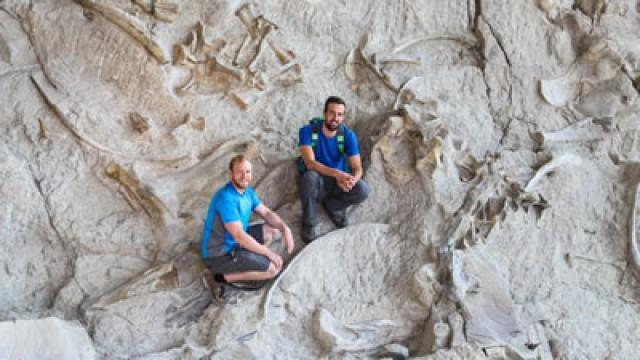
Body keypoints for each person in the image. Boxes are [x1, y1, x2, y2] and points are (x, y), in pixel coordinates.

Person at [200, 155, 295, 299]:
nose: (245, 176)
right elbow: (239, 235)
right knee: (273, 270)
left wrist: (284, 228)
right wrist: (268, 253)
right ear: (231, 174)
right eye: (239, 172)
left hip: (236, 241)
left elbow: (266, 212)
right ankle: (219, 278)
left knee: (272, 229)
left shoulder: (248, 192)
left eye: (248, 171)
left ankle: (251, 258)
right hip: (219, 254)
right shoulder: (226, 198)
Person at [298, 96, 370, 243]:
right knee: (309, 177)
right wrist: (337, 174)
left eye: (339, 114)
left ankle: (333, 207)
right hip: (317, 181)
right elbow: (310, 163)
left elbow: (357, 168)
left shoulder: (347, 136)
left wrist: (351, 181)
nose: (335, 118)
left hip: (337, 183)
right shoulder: (307, 131)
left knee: (363, 189)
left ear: (343, 117)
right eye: (331, 113)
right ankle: (309, 223)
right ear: (324, 113)